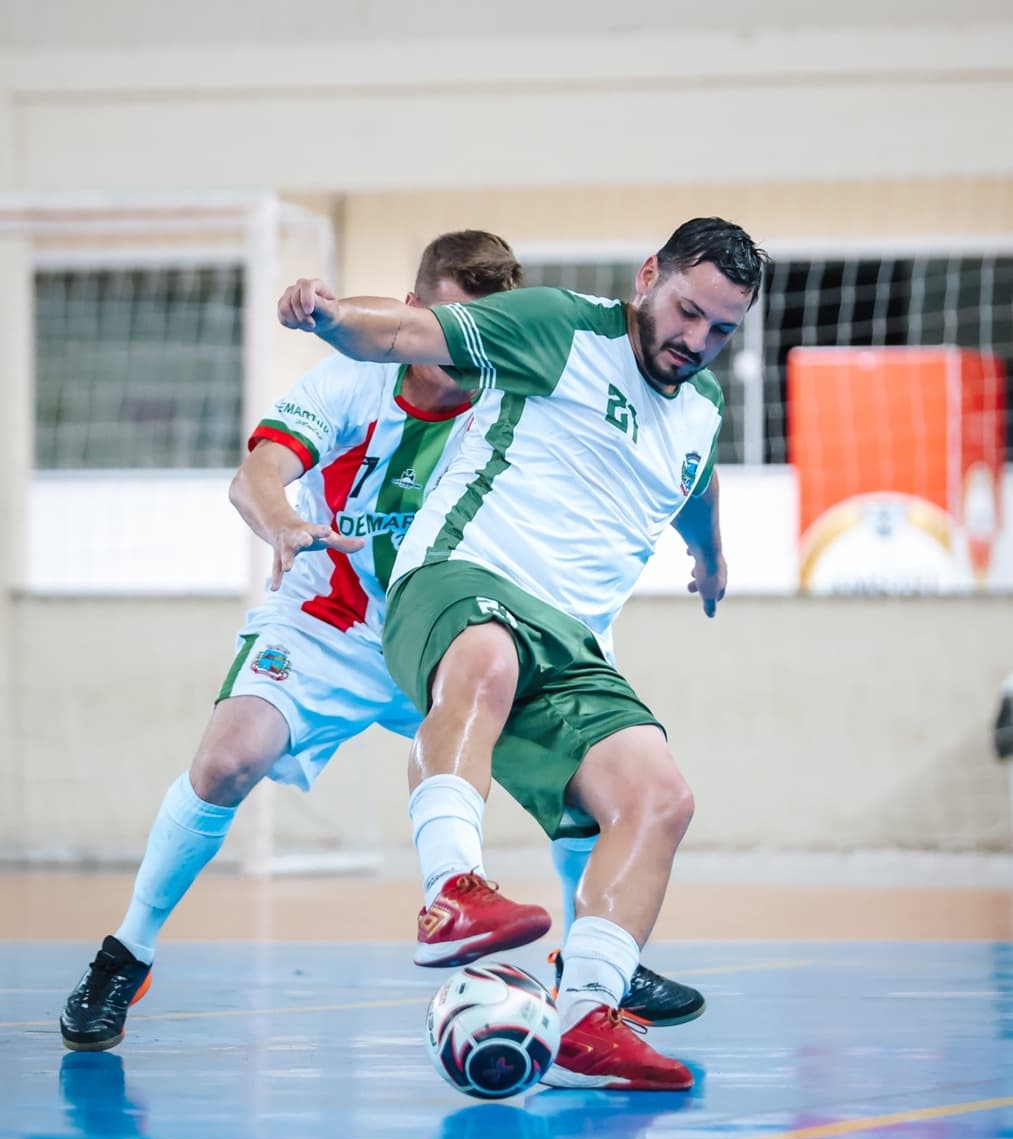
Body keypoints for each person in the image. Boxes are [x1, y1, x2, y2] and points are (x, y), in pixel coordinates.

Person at [60, 229, 703, 1052]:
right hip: (331, 622)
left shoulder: (521, 390)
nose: (462, 357)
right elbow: (253, 474)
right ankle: (128, 952)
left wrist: (701, 550)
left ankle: (598, 960)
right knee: (225, 760)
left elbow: (664, 452)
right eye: (447, 329)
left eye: (480, 336)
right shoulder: (350, 382)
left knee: (585, 787)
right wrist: (285, 522)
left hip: (455, 623)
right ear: (413, 315)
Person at [277, 216, 768, 1089]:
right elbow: (406, 330)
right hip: (461, 577)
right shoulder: (561, 327)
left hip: (571, 641)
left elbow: (696, 480)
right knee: (488, 656)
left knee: (660, 797)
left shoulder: (699, 407)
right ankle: (450, 890)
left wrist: (711, 553)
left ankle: (587, 1016)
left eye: (721, 329)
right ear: (648, 274)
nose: (695, 341)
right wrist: (326, 316)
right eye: (687, 312)